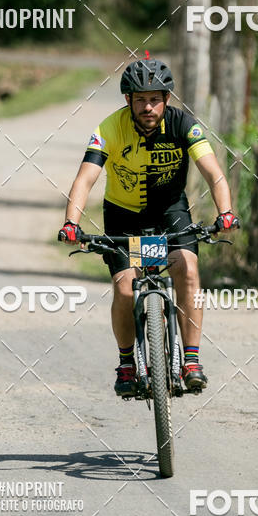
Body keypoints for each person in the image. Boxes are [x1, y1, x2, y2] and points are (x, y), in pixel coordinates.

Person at [58, 58, 238, 397]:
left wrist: (225, 213)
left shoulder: (184, 124)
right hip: (124, 217)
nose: (148, 107)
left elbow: (213, 173)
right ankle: (127, 364)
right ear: (128, 100)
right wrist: (72, 223)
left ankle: (191, 361)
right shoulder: (109, 129)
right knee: (126, 288)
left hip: (170, 212)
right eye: (140, 99)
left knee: (188, 269)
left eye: (155, 99)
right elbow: (85, 178)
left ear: (167, 99)